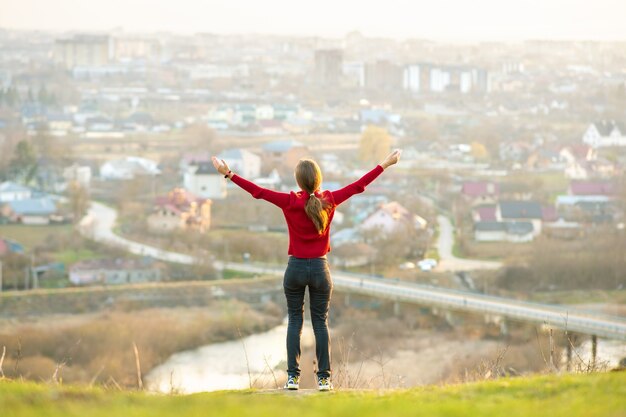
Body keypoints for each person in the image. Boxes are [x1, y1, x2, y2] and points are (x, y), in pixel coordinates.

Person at [211, 149, 402, 391]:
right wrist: (385, 163)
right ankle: (324, 379)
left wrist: (228, 174)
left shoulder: (290, 201)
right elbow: (358, 186)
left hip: (296, 269)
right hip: (321, 270)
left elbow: (257, 192)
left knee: (294, 322)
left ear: (298, 180)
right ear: (319, 179)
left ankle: (292, 378)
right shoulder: (330, 200)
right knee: (320, 324)